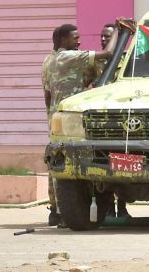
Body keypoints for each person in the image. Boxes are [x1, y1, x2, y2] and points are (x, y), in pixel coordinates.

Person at [42, 19, 132, 225]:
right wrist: (121, 32)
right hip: (72, 120)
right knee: (67, 167)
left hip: (58, 117)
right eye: (76, 38)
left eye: (106, 37)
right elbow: (107, 55)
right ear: (64, 39)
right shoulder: (70, 57)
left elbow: (48, 94)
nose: (80, 42)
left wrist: (50, 114)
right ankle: (66, 213)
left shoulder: (49, 60)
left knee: (57, 162)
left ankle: (56, 210)